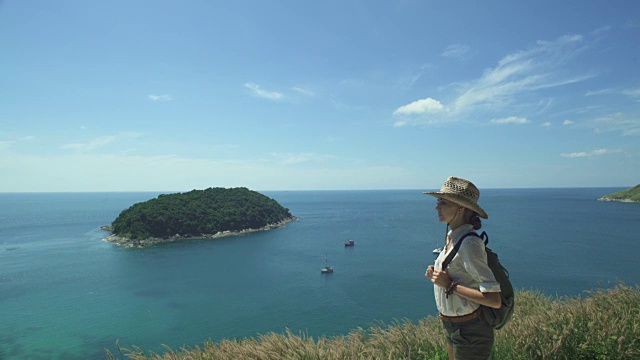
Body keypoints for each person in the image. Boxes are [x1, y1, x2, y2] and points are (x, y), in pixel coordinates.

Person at [424, 176, 501, 360]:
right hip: (455, 328)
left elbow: (494, 299)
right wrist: (437, 276)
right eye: (438, 202)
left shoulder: (469, 244)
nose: (437, 207)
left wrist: (449, 285)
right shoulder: (453, 237)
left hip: (470, 331)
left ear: (461, 208)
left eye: (443, 203)